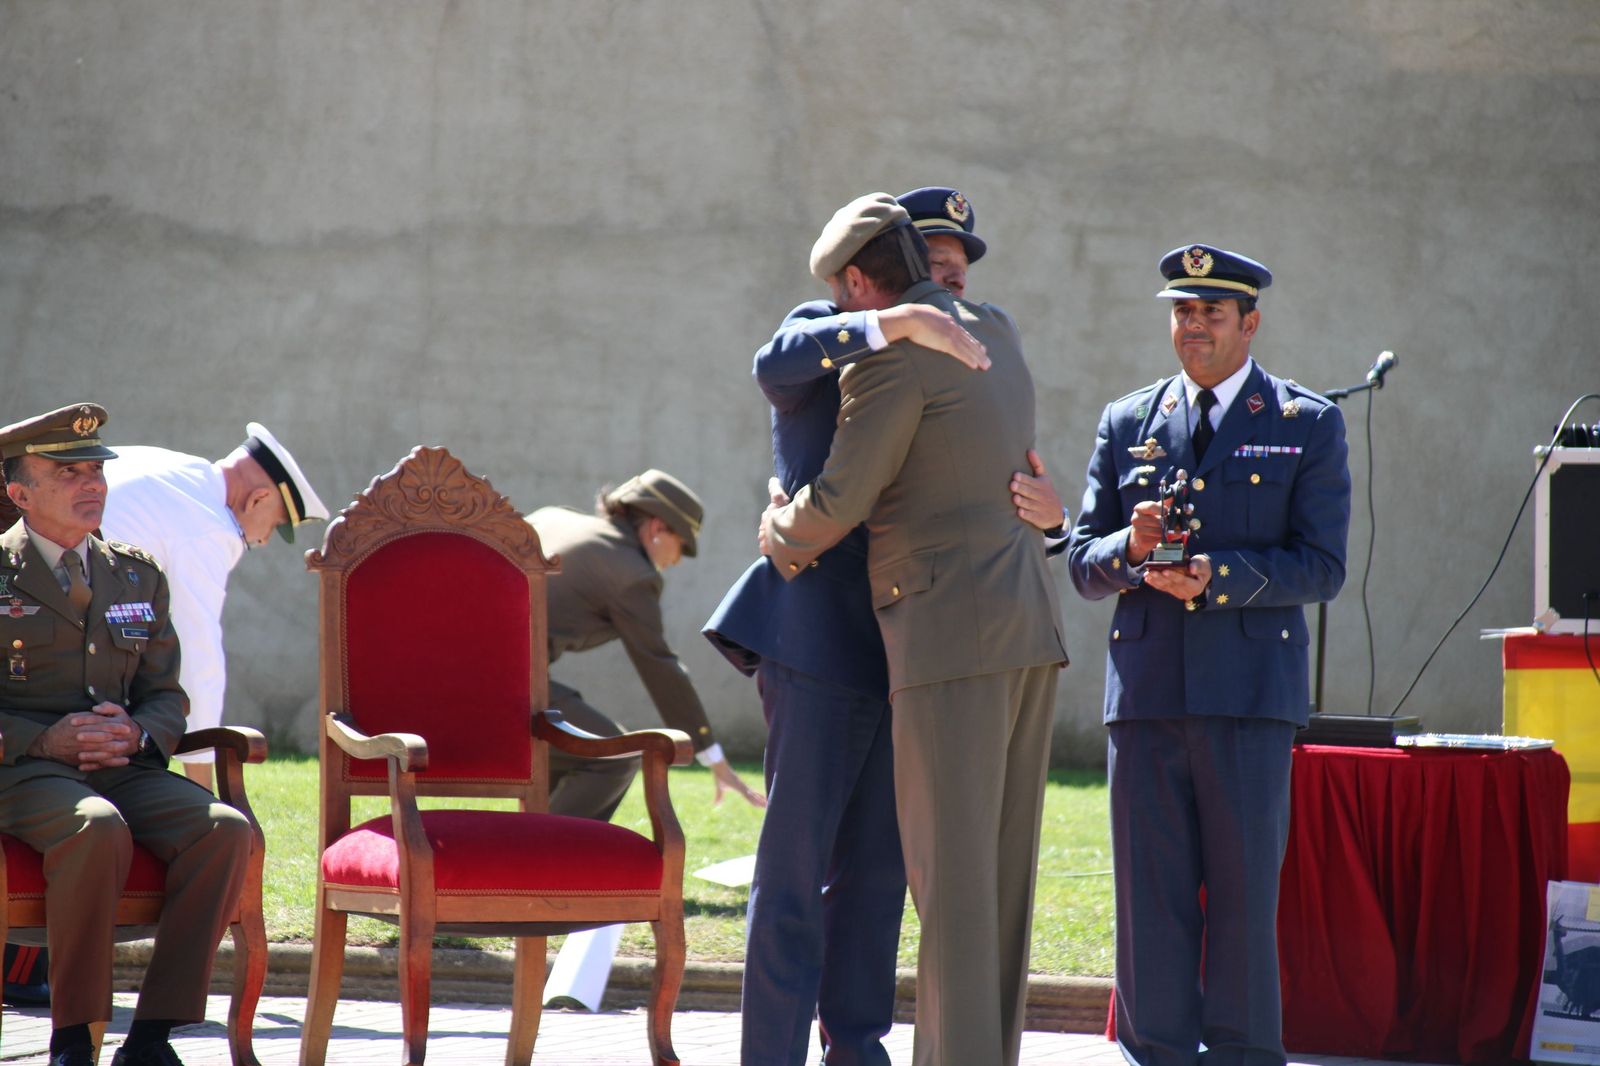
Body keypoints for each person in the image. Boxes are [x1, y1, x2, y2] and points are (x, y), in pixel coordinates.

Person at [706, 185, 1065, 1066]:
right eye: (935, 260)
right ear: (879, 275)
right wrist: (887, 326)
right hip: (821, 639)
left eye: (960, 267)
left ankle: (858, 1049)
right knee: (794, 872)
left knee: (877, 875)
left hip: (910, 639)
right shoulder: (836, 325)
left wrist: (1050, 515)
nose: (951, 278)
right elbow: (773, 363)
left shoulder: (975, 340)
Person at [1066, 244, 1351, 1066]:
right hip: (1148, 694)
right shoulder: (1129, 421)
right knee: (1148, 903)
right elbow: (1082, 562)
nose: (1192, 326)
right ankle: (1153, 1053)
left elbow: (1322, 566)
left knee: (1242, 902)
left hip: (1248, 698)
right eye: (1182, 312)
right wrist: (1131, 546)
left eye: (1211, 313)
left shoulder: (1304, 423)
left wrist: (1215, 578)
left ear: (1249, 324)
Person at [0, 403, 253, 1066]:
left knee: (224, 830)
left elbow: (167, 694)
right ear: (20, 494)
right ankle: (73, 1038)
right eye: (68, 473)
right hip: (22, 771)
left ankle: (151, 1038)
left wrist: (139, 732)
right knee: (95, 827)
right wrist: (46, 740)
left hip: (123, 767)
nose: (92, 484)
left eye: (96, 471)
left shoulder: (137, 574)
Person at [99, 424, 329, 792]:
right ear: (257, 499)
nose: (264, 540)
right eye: (275, 525)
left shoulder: (175, 468)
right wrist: (203, 787)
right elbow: (198, 652)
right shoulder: (210, 526)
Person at [528, 470, 764, 820]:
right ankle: (544, 854)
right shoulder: (632, 574)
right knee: (615, 758)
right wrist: (712, 755)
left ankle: (526, 846)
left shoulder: (554, 517)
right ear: (657, 527)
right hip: (497, 686)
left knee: (569, 754)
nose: (677, 560)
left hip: (455, 671)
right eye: (682, 544)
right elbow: (659, 665)